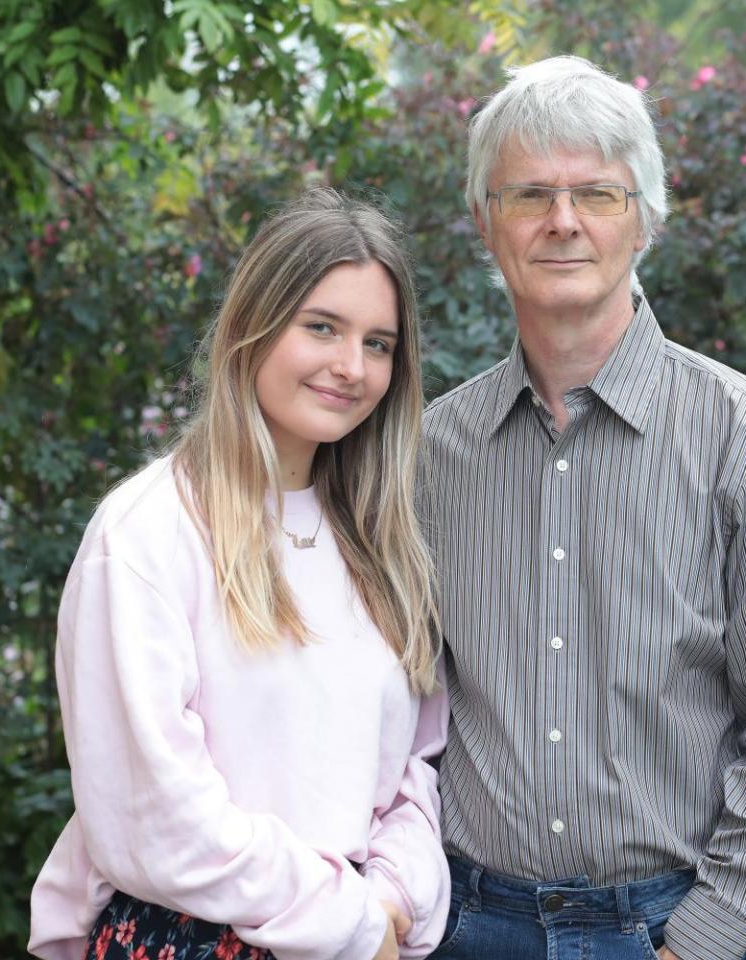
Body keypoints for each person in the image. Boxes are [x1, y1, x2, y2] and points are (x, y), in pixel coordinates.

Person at [419, 56, 746, 960]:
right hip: (464, 924)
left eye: (598, 195)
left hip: (666, 928)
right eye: (529, 192)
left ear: (646, 221)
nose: (563, 221)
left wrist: (706, 939)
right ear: (483, 222)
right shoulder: (430, 454)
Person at [28, 189, 449, 960]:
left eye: (379, 343)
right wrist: (347, 922)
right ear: (253, 327)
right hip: (191, 937)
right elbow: (158, 816)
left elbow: (417, 768)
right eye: (321, 327)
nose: (350, 367)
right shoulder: (149, 531)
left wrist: (392, 898)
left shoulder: (382, 542)